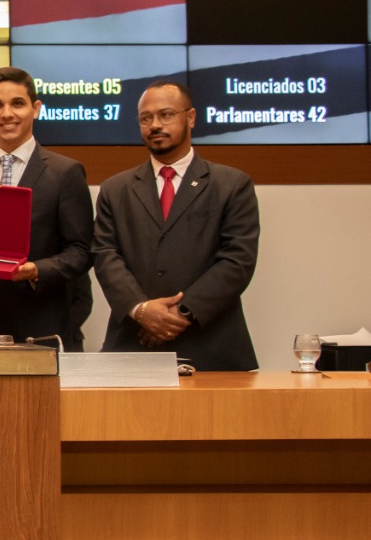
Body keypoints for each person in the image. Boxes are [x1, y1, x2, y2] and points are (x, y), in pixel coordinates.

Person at [93, 80, 260, 370]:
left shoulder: (232, 185)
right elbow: (105, 256)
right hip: (134, 342)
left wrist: (179, 314)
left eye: (166, 114)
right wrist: (142, 310)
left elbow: (237, 261)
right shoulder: (115, 189)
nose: (155, 125)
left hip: (211, 346)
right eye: (146, 118)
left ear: (191, 117)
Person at [0, 67, 94, 350]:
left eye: (17, 104)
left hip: (37, 320)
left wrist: (35, 270)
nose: (7, 114)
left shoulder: (65, 173)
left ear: (35, 109)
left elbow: (81, 251)